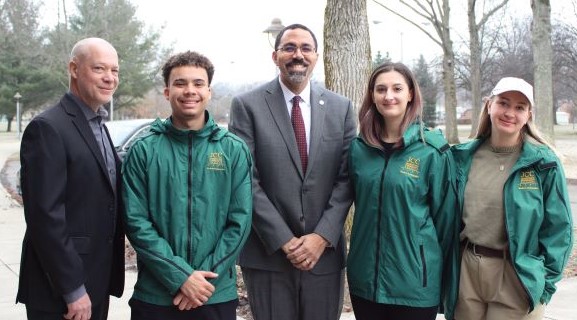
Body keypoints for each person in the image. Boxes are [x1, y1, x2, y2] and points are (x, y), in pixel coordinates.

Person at [228, 23, 357, 320]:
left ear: (316, 56)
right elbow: (245, 180)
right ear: (275, 56)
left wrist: (321, 237)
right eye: (289, 48)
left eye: (305, 48)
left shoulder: (341, 108)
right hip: (268, 254)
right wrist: (285, 240)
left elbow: (346, 178)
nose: (297, 54)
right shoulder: (247, 106)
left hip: (323, 257)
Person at [122, 50, 253, 320]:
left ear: (209, 91)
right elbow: (136, 221)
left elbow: (239, 222)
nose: (189, 91)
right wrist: (180, 277)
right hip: (156, 295)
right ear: (167, 92)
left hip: (213, 294)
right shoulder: (144, 150)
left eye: (197, 83)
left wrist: (201, 283)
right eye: (180, 83)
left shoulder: (233, 150)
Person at [447, 77, 574, 320]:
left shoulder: (543, 164)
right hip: (467, 271)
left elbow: (560, 229)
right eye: (503, 103)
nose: (509, 113)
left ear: (528, 115)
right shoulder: (461, 158)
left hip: (516, 274)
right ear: (489, 105)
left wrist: (543, 283)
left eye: (519, 107)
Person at [17, 37, 125, 320]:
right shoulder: (48, 128)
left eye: (114, 71)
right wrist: (73, 290)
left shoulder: (99, 125)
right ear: (74, 69)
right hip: (62, 291)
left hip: (96, 281)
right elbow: (45, 216)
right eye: (99, 68)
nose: (109, 78)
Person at [347, 62, 457, 320]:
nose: (389, 96)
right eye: (381, 89)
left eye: (397, 88)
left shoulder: (432, 150)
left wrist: (440, 279)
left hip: (415, 285)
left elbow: (447, 223)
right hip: (365, 282)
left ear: (410, 94)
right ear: (372, 96)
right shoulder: (358, 149)